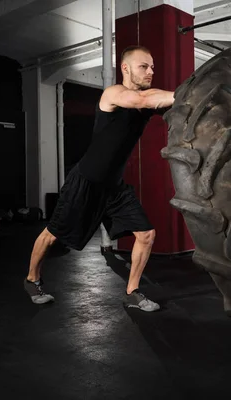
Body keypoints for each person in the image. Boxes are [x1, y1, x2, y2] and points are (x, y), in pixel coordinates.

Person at [23, 45, 174, 312]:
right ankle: (32, 279)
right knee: (52, 235)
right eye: (144, 66)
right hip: (85, 181)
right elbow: (142, 100)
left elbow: (158, 100)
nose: (150, 71)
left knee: (146, 234)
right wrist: (184, 94)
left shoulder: (146, 100)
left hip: (114, 188)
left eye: (152, 67)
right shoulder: (114, 93)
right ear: (126, 68)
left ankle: (132, 292)